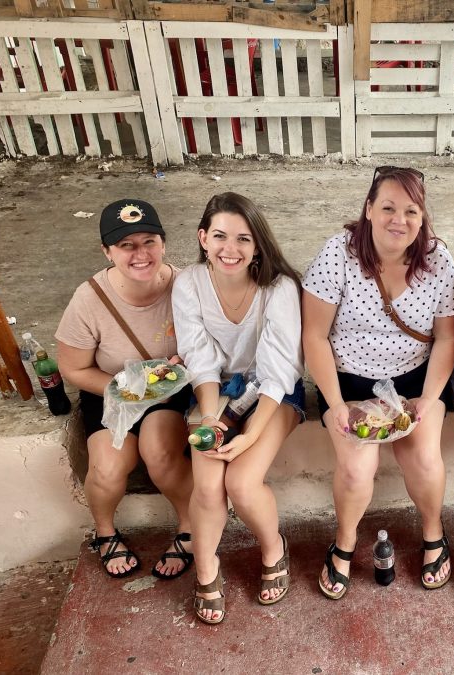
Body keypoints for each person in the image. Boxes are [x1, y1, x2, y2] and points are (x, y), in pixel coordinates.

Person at [302, 166, 454, 600]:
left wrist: (427, 400)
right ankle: (346, 541)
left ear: (423, 217)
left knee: (423, 457)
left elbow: (447, 337)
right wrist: (334, 404)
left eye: (411, 210)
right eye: (388, 207)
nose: (399, 220)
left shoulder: (438, 260)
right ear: (369, 209)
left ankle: (433, 533)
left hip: (415, 378)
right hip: (351, 380)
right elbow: (313, 335)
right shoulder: (338, 254)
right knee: (356, 466)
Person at [172, 192, 306, 624]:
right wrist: (211, 417)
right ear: (203, 239)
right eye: (220, 236)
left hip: (274, 394)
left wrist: (249, 433)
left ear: (258, 246)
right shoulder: (189, 283)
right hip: (215, 392)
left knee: (243, 483)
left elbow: (280, 368)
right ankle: (207, 569)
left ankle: (273, 548)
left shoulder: (279, 289)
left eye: (244, 239)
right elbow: (199, 357)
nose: (231, 249)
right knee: (209, 485)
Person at [56, 199, 194, 581]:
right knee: (107, 468)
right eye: (126, 246)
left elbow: (213, 342)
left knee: (160, 454)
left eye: (149, 241)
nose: (140, 254)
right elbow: (72, 368)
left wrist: (184, 366)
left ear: (163, 243)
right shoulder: (90, 298)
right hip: (109, 390)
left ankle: (189, 527)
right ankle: (105, 532)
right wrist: (125, 387)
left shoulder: (187, 286)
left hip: (169, 391)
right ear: (107, 251)